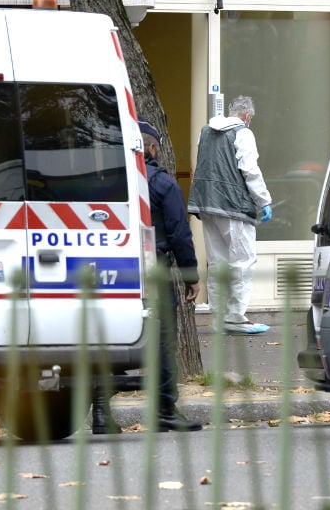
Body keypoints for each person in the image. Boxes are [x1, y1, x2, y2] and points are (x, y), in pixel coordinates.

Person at [92, 120, 202, 433]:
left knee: (110, 341)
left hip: (112, 270)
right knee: (163, 341)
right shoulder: (162, 183)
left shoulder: (108, 181)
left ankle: (101, 413)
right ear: (150, 148)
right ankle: (165, 409)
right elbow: (180, 233)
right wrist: (191, 274)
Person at [187, 95, 272, 335]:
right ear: (247, 116)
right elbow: (249, 169)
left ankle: (220, 317)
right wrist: (264, 201)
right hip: (232, 205)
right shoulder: (243, 133)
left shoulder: (206, 131)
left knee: (217, 263)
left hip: (206, 204)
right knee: (243, 261)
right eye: (250, 118)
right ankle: (235, 317)